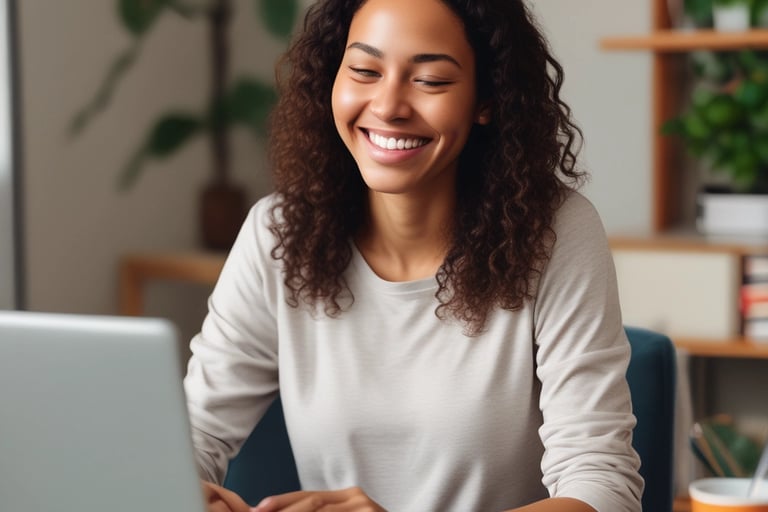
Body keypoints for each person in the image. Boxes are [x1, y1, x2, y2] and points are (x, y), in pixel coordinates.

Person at [186, 0, 644, 510]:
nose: (388, 106)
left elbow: (603, 489)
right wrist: (178, 489)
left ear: (485, 99)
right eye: (363, 70)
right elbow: (193, 433)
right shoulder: (280, 233)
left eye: (429, 81)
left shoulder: (555, 233)